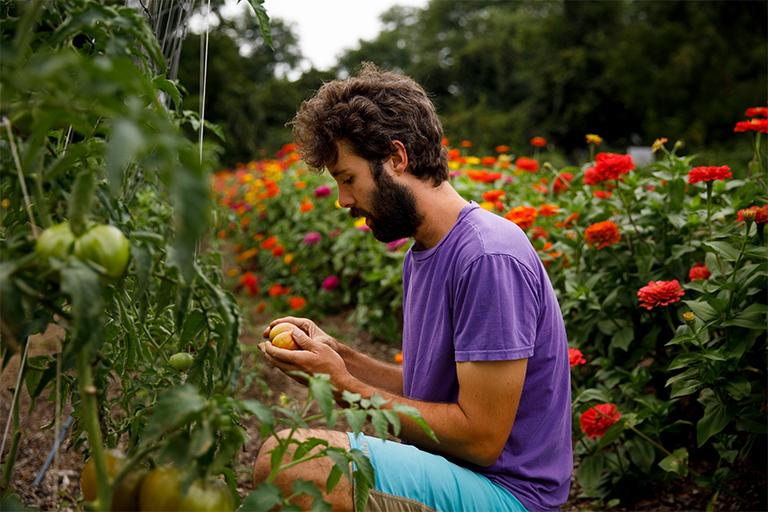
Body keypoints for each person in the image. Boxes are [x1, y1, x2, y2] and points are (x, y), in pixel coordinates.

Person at [253, 62, 572, 512]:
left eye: (348, 178)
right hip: (464, 476)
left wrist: (343, 386)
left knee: (289, 459)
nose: (343, 200)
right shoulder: (424, 251)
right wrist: (338, 355)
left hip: (511, 495)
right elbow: (431, 390)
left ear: (396, 158)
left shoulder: (487, 256)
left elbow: (481, 438)